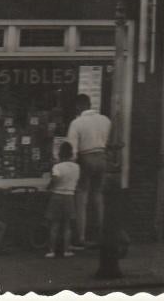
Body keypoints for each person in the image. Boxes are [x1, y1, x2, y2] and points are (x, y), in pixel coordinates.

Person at [66, 94, 111, 247]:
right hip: (102, 158)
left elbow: (72, 149)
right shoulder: (105, 120)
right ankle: (102, 234)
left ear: (79, 106)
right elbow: (110, 141)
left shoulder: (76, 123)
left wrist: (69, 166)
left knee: (81, 197)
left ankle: (81, 237)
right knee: (98, 196)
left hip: (86, 158)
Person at [46, 142, 80, 258]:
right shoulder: (76, 167)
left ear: (60, 153)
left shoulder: (57, 167)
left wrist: (49, 187)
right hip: (69, 196)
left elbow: (54, 179)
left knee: (55, 225)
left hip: (57, 196)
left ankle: (51, 250)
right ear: (71, 154)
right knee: (67, 225)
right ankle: (66, 250)